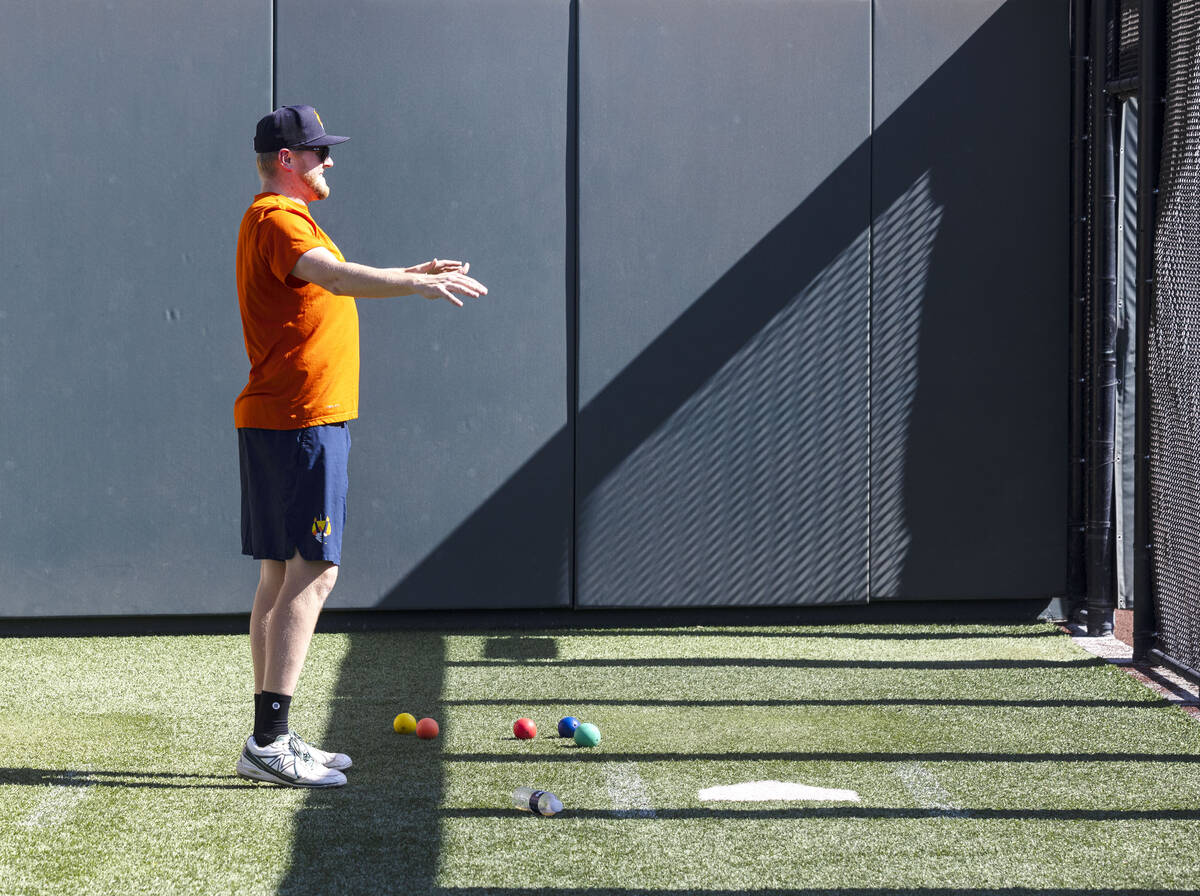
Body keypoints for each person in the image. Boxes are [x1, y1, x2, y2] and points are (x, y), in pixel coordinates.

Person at [232, 105, 487, 788]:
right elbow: (339, 280)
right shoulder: (280, 221)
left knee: (280, 576)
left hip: (281, 418)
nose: (330, 162)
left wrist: (408, 268)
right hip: (300, 421)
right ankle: (269, 740)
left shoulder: (281, 223)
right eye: (318, 152)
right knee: (314, 573)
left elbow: (327, 284)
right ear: (287, 159)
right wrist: (415, 284)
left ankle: (270, 736)